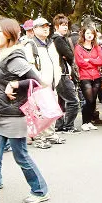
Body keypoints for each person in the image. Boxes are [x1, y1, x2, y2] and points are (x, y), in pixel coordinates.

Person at [0, 18, 49, 203]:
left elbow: (37, 82)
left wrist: (15, 83)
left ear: (11, 34)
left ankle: (40, 190)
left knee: (21, 156)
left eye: (1, 31)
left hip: (14, 115)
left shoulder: (15, 58)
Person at [24, 17, 65, 148]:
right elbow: (30, 67)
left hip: (52, 84)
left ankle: (50, 134)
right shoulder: (30, 45)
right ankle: (39, 138)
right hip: (39, 86)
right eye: (42, 26)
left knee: (51, 111)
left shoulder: (50, 43)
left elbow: (56, 62)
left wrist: (56, 79)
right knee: (40, 113)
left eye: (47, 26)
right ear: (34, 29)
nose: (46, 28)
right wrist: (40, 81)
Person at [50, 14, 80, 134]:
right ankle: (68, 125)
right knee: (73, 101)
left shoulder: (56, 39)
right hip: (61, 73)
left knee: (60, 101)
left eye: (66, 25)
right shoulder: (58, 39)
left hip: (60, 72)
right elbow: (70, 55)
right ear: (56, 27)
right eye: (62, 25)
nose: (65, 27)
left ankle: (60, 125)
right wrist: (67, 55)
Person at [74, 25, 102, 131]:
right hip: (85, 76)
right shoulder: (78, 47)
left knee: (93, 101)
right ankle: (84, 122)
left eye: (91, 33)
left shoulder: (97, 47)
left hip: (96, 76)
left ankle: (89, 121)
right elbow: (80, 62)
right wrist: (94, 61)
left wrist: (90, 60)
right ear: (83, 34)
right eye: (87, 33)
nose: (89, 35)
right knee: (88, 99)